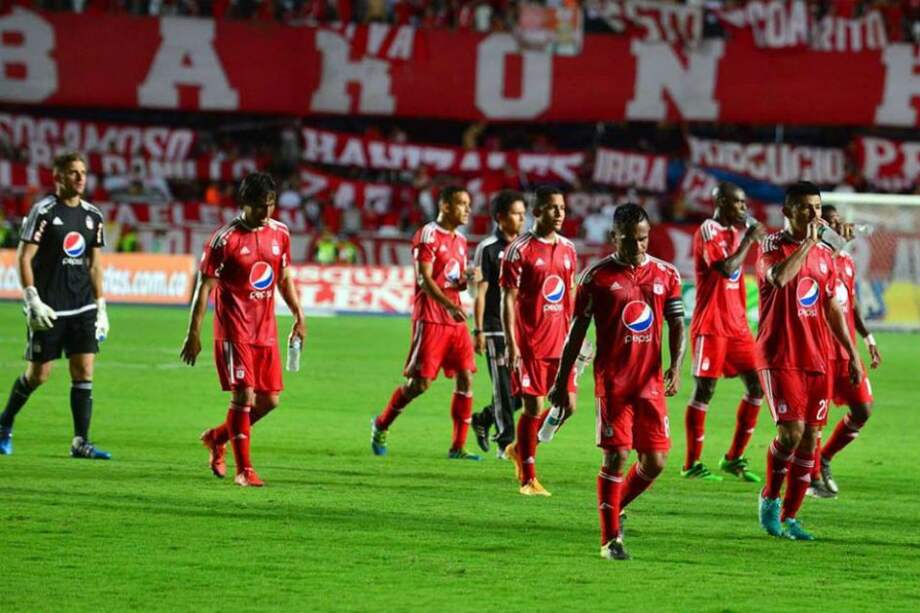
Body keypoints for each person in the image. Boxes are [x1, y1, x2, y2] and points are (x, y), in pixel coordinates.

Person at [549, 203, 685, 560]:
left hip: (650, 384)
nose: (638, 246)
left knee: (655, 461)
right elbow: (576, 332)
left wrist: (676, 366)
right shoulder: (596, 278)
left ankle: (614, 504)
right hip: (613, 383)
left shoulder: (666, 274)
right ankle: (610, 541)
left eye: (642, 239)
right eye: (629, 240)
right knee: (617, 456)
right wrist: (562, 381)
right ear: (614, 238)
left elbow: (677, 324)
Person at [180, 172, 306, 487]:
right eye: (260, 207)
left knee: (270, 401)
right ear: (244, 203)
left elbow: (284, 278)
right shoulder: (224, 240)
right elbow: (204, 288)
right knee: (244, 395)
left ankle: (217, 437)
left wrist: (298, 315)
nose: (266, 213)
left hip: (266, 328)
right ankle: (244, 470)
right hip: (234, 329)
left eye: (271, 206)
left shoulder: (280, 233)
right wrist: (193, 333)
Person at [756, 182, 863, 540]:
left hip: (817, 355)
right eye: (804, 208)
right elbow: (782, 279)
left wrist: (850, 351)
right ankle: (770, 498)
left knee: (811, 438)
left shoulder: (824, 255)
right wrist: (807, 244)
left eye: (816, 207)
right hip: (779, 354)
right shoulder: (772, 246)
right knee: (791, 433)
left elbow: (832, 305)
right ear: (787, 212)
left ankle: (791, 517)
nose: (814, 214)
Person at [0, 151, 111, 459]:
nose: (80, 178)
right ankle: (4, 423)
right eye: (74, 172)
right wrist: (31, 298)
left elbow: (94, 265)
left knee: (84, 370)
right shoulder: (44, 211)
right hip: (49, 307)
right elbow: (24, 257)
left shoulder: (93, 216)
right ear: (58, 177)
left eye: (83, 173)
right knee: (38, 375)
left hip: (82, 306)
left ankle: (81, 442)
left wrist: (101, 305)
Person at [370, 186, 480, 460]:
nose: (467, 209)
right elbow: (424, 279)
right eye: (461, 203)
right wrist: (449, 304)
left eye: (469, 204)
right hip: (431, 316)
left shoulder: (461, 240)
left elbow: (451, 279)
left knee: (466, 376)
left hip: (454, 318)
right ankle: (381, 424)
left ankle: (458, 447)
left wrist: (467, 280)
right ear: (444, 206)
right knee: (419, 385)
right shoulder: (427, 234)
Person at [682, 182, 766, 483]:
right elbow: (726, 269)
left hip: (737, 326)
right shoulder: (708, 230)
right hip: (712, 325)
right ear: (721, 202)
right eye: (739, 203)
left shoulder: (733, 232)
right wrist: (748, 241)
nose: (744, 209)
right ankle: (692, 463)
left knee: (757, 386)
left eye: (745, 204)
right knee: (705, 390)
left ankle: (734, 458)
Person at [500, 186, 578, 496]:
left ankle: (520, 447)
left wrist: (575, 336)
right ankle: (527, 478)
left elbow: (570, 293)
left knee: (568, 406)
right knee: (534, 407)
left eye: (562, 208)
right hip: (530, 341)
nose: (559, 213)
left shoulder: (569, 249)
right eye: (551, 208)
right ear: (537, 212)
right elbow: (508, 298)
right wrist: (511, 342)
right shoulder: (519, 250)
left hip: (561, 341)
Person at [807, 205, 881, 498]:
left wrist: (869, 339)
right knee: (815, 421)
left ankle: (824, 459)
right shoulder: (812, 257)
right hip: (820, 351)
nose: (841, 226)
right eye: (833, 222)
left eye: (840, 221)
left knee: (863, 409)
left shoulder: (847, 262)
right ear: (822, 227)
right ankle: (812, 479)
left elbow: (852, 303)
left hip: (847, 352)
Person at [469, 190, 527, 457]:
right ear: (501, 217)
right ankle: (505, 443)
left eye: (524, 214)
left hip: (521, 328)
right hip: (494, 326)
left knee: (525, 391)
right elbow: (480, 291)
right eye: (517, 214)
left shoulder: (526, 247)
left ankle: (483, 418)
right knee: (503, 386)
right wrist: (478, 330)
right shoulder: (488, 248)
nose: (522, 219)